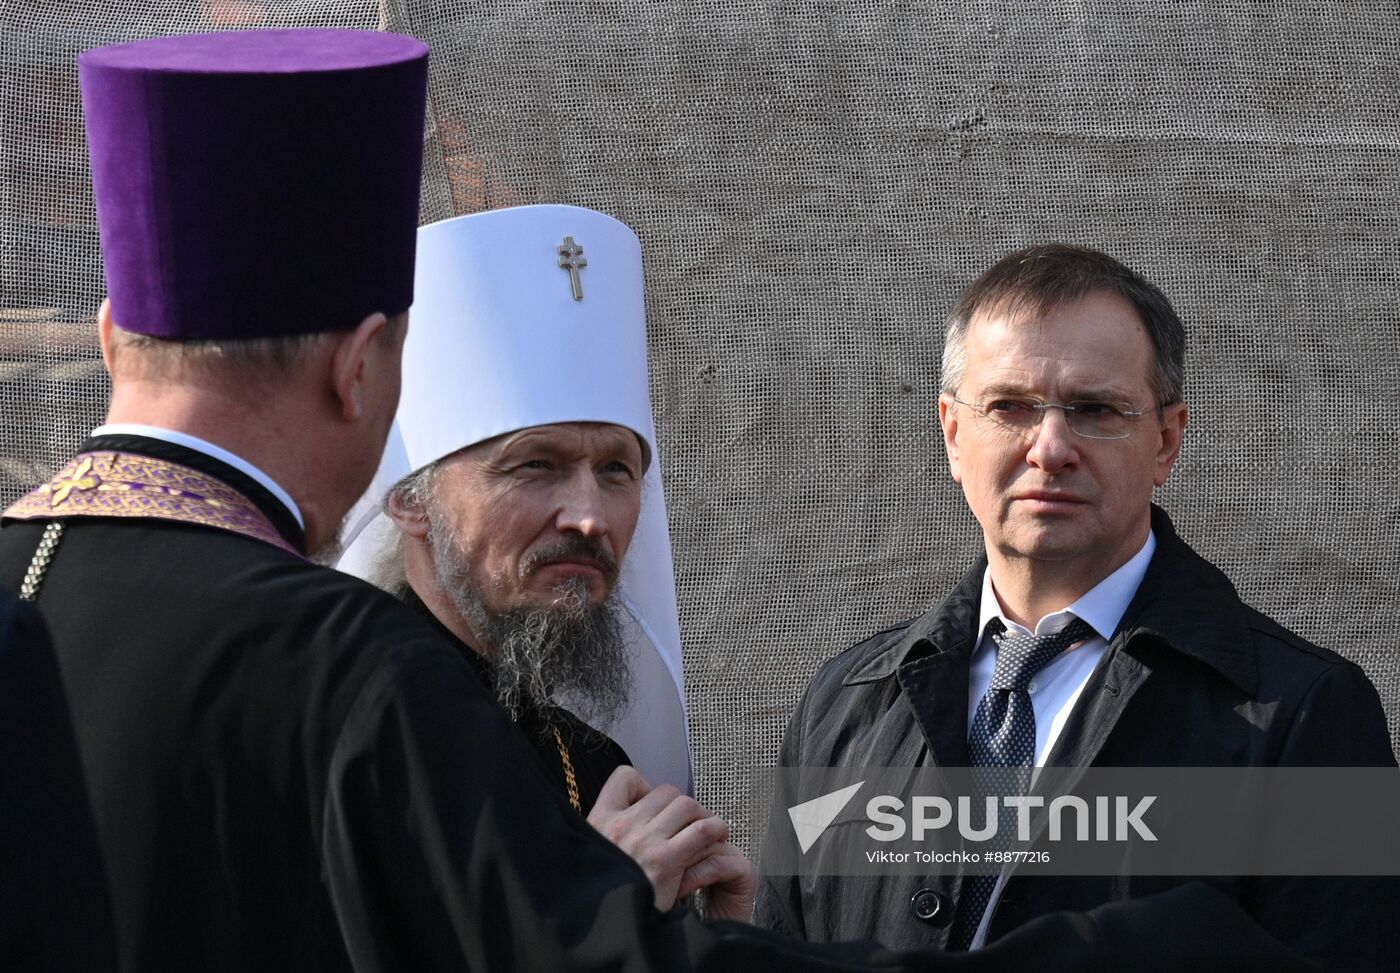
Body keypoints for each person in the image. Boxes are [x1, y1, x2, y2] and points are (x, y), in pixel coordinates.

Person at [7, 29, 1295, 973]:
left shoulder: (1292, 718)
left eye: (618, 468)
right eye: (1013, 408)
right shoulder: (357, 666)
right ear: (369, 385)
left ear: (119, 333)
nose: (588, 515)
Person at [754, 244, 1399, 968]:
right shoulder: (842, 706)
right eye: (1009, 406)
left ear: (1167, 439)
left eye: (1095, 409)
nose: (1050, 447)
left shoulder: (1304, 714)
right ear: (953, 432)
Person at [337, 203, 749, 915]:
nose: (589, 516)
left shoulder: (591, 765)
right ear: (408, 500)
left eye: (617, 470)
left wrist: (715, 944)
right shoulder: (338, 736)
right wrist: (592, 909)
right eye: (535, 465)